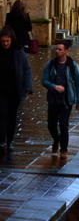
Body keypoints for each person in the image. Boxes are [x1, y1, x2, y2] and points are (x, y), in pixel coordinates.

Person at [42, 40, 79, 159]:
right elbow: (44, 81)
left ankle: (63, 150)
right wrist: (54, 87)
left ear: (66, 51)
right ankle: (56, 139)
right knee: (51, 125)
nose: (57, 51)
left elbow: (78, 84)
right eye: (56, 49)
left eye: (60, 49)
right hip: (53, 100)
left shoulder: (72, 65)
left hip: (66, 100)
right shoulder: (50, 65)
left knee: (64, 125)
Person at [0, 26, 33, 154]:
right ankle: (2, 141)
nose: (5, 43)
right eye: (3, 41)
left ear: (11, 40)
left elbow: (26, 69)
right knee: (2, 114)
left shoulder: (19, 52)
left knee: (12, 116)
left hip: (14, 89)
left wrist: (28, 87)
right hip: (1, 89)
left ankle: (10, 141)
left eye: (7, 41)